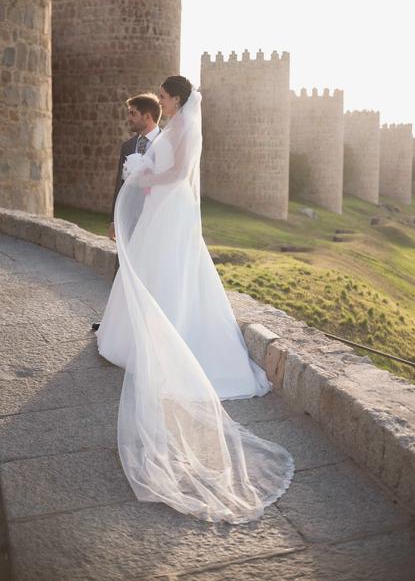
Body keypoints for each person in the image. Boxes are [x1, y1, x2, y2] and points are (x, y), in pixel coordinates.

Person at [96, 75, 294, 524]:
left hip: (173, 208)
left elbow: (179, 173)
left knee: (170, 273)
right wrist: (144, 174)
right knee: (148, 270)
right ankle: (129, 338)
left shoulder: (184, 128)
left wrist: (144, 171)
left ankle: (179, 341)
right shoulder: (170, 126)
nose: (160, 101)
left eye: (164, 97)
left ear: (178, 99)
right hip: (162, 208)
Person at [92, 93, 161, 331]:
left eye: (132, 113)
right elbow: (119, 185)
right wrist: (114, 218)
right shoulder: (127, 146)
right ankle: (114, 322)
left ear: (147, 116)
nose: (128, 118)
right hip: (127, 218)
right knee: (122, 267)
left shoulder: (166, 143)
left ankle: (146, 323)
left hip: (155, 219)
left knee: (149, 269)